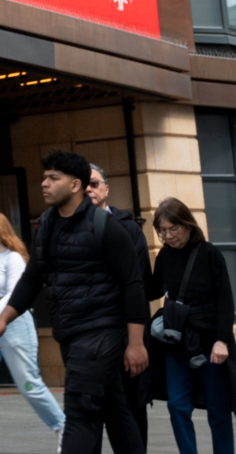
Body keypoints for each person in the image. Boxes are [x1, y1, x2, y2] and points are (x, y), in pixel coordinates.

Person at [0, 151, 149, 454]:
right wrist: (4, 318)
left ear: (75, 185)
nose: (44, 184)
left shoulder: (106, 226)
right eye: (45, 177)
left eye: (53, 178)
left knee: (80, 412)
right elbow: (33, 277)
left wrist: (136, 343)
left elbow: (133, 284)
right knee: (114, 409)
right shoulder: (47, 224)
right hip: (71, 331)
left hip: (102, 330)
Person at [147, 199, 236, 454]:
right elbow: (152, 290)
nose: (168, 236)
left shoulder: (209, 254)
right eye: (162, 231)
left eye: (173, 229)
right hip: (177, 339)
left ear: (187, 224)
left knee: (218, 410)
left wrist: (222, 340)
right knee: (177, 405)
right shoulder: (164, 256)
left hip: (208, 340)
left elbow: (225, 300)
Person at [0, 210, 64, 454]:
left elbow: (15, 292)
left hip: (13, 320)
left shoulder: (14, 258)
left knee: (28, 382)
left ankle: (63, 426)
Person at [88, 163, 155, 448]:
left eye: (94, 183)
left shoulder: (127, 228)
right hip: (88, 338)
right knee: (89, 414)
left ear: (106, 188)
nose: (89, 189)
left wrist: (135, 342)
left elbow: (140, 286)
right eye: (84, 184)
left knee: (130, 408)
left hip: (125, 333)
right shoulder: (64, 228)